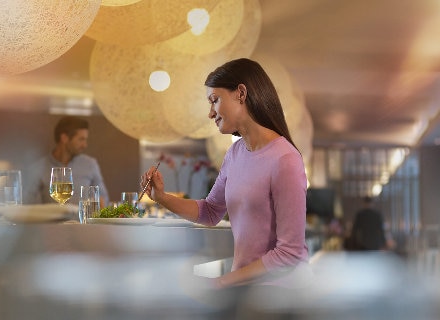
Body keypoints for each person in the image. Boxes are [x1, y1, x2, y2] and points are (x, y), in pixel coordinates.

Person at [141, 58, 312, 289]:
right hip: (244, 290)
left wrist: (222, 282)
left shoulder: (285, 159)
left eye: (215, 100)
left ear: (241, 93)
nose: (211, 113)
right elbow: (211, 211)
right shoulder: (235, 153)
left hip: (279, 298)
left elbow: (290, 253)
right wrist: (161, 197)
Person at [23, 116, 109, 208]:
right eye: (81, 139)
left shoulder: (90, 164)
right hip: (53, 222)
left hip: (83, 222)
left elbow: (103, 198)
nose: (85, 145)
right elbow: (27, 205)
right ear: (64, 138)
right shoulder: (38, 168)